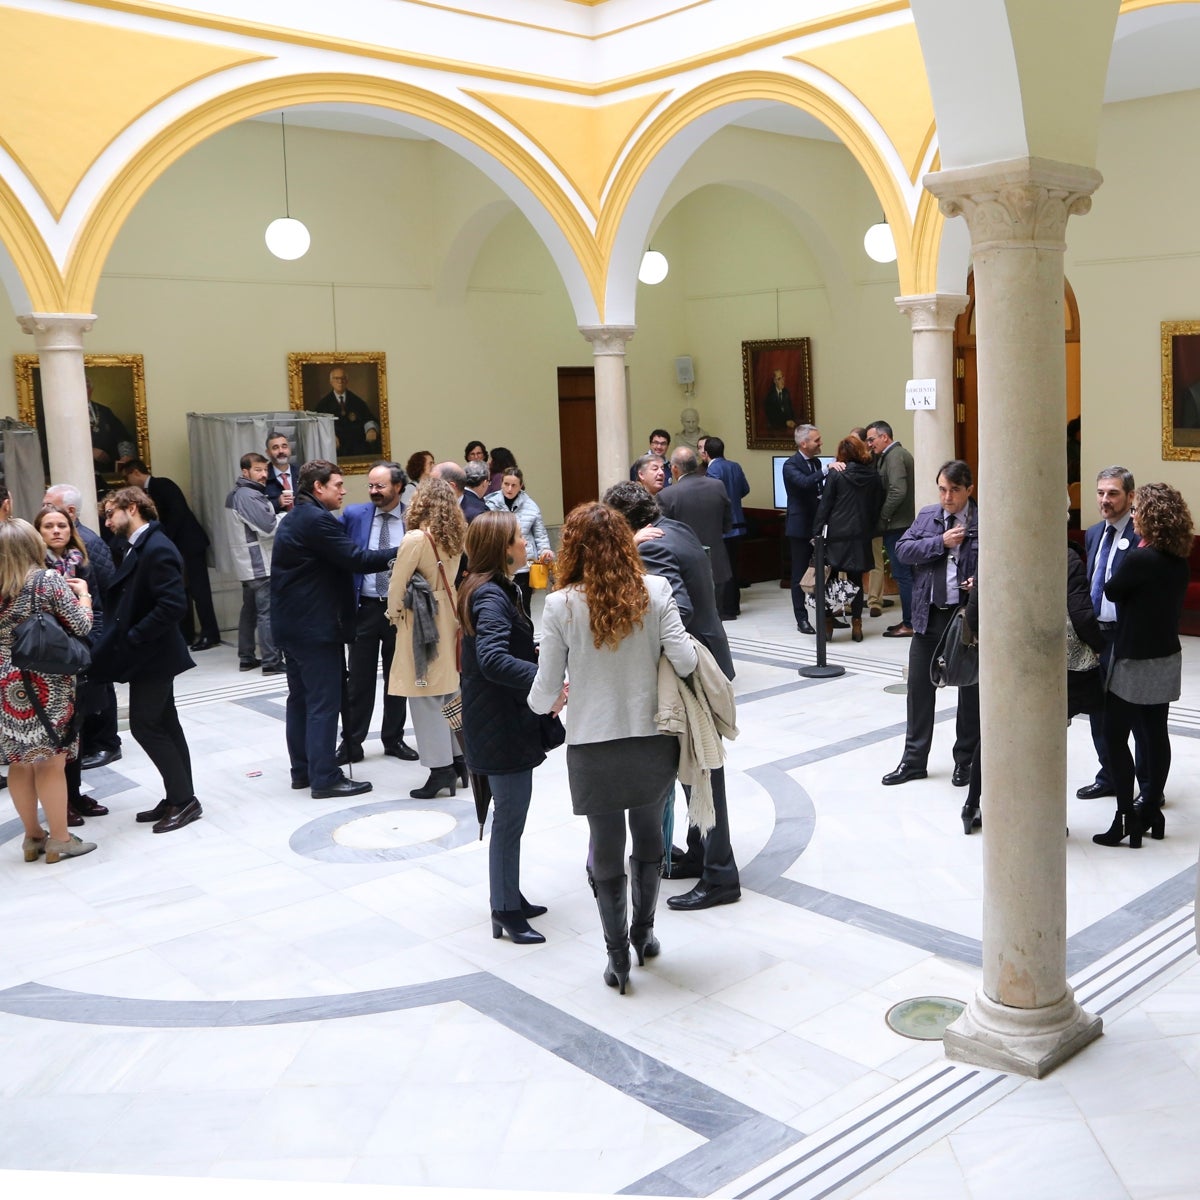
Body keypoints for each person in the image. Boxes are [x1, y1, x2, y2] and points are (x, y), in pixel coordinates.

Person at [528, 503, 697, 995]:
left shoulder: (561, 605)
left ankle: (616, 956)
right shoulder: (656, 590)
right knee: (648, 839)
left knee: (605, 846)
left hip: (591, 742)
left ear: (573, 548)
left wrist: (542, 702)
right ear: (627, 543)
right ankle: (644, 935)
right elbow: (685, 660)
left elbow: (545, 689)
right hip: (650, 736)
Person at [603, 481, 740, 908]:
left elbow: (676, 612)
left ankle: (721, 877)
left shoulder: (651, 547)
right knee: (694, 768)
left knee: (701, 770)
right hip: (705, 657)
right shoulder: (674, 528)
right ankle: (700, 854)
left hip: (687, 673)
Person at [270, 460, 394, 799]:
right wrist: (407, 550)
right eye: (337, 484)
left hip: (293, 626)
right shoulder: (315, 520)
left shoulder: (298, 516)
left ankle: (303, 770)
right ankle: (324, 777)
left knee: (300, 701)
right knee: (324, 703)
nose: (343, 490)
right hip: (314, 629)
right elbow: (357, 559)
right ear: (318, 487)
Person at [458, 511, 551, 945]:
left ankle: (509, 894)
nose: (525, 542)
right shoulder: (491, 596)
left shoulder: (492, 588)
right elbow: (493, 659)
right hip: (500, 723)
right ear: (502, 547)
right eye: (518, 537)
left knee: (510, 818)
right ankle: (505, 911)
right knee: (509, 821)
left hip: (499, 718)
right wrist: (546, 680)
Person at [92, 487, 202, 834]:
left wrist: (135, 636)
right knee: (166, 724)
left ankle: (185, 802)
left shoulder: (157, 546)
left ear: (133, 507)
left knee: (145, 724)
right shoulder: (139, 545)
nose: (107, 522)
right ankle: (178, 794)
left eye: (111, 513)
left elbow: (173, 605)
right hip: (150, 652)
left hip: (155, 654)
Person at [1093, 483, 1193, 848]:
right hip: (1166, 657)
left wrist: (1133, 550)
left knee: (1115, 737)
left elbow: (1112, 591)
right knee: (1155, 733)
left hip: (1134, 661)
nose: (1132, 517)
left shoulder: (1139, 558)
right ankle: (1151, 806)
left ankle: (1125, 818)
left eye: (1136, 512)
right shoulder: (1178, 560)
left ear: (1148, 517)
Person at [0, 519, 96, 862]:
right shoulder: (46, 580)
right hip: (45, 683)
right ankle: (60, 839)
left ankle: (32, 837)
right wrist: (84, 595)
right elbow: (82, 625)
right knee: (50, 764)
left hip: (3, 687)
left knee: (19, 763)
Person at [882, 460, 979, 788]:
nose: (947, 497)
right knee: (918, 690)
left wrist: (978, 580)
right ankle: (913, 761)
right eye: (942, 489)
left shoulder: (983, 521)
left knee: (970, 691)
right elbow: (903, 550)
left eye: (954, 490)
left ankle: (965, 761)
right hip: (929, 615)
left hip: (966, 618)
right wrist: (941, 543)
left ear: (969, 489)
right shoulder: (927, 516)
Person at [386, 478, 468, 798]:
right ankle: (460, 761)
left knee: (424, 697)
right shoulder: (454, 536)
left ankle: (440, 770)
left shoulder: (416, 538)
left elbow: (398, 584)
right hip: (449, 614)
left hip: (421, 622)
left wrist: (393, 615)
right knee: (449, 692)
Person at [33, 505, 110, 827]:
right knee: (54, 736)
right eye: (48, 526)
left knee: (76, 730)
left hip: (79, 653)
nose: (56, 531)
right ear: (38, 533)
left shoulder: (83, 564)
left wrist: (95, 645)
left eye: (61, 525)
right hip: (46, 657)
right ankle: (59, 802)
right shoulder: (34, 569)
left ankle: (75, 794)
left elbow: (99, 609)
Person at [337, 461, 419, 766]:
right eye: (371, 486)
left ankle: (393, 738)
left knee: (397, 678)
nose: (373, 491)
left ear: (398, 487)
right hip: (365, 608)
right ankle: (352, 742)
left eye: (380, 486)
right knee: (358, 679)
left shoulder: (414, 518)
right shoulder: (354, 515)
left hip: (400, 610)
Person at [1077, 466, 1145, 801]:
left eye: (1113, 493)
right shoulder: (1092, 534)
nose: (1105, 500)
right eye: (1101, 492)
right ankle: (1110, 776)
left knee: (1137, 717)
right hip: (1096, 635)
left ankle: (1147, 788)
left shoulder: (1142, 536)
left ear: (1131, 497)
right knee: (1098, 712)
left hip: (1129, 636)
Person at [43, 482, 121, 770]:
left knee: (100, 686)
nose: (54, 527)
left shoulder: (87, 543)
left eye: (51, 506)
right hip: (65, 638)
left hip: (91, 628)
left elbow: (107, 587)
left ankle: (107, 743)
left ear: (70, 514)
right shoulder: (46, 556)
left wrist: (98, 633)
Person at [119, 459, 220, 651]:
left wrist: (164, 541)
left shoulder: (162, 484)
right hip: (176, 546)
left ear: (135, 472)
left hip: (189, 545)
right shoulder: (149, 492)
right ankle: (187, 634)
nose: (126, 482)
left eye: (126, 477)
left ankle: (210, 633)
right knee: (182, 590)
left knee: (200, 590)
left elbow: (177, 514)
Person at [813, 434, 883, 641]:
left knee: (830, 578)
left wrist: (816, 532)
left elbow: (825, 505)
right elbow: (877, 504)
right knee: (856, 580)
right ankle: (857, 624)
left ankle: (827, 625)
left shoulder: (836, 475)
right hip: (860, 534)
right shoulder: (873, 476)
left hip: (837, 534)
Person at [224, 452, 284, 675]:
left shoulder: (239, 494)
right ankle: (271, 661)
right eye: (258, 470)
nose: (263, 474)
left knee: (249, 611)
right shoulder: (248, 495)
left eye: (265, 470)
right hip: (260, 564)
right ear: (245, 472)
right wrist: (287, 517)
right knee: (267, 612)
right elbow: (268, 528)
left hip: (249, 564)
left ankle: (247, 657)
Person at [658, 447, 732, 617]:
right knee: (715, 616)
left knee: (690, 621)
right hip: (716, 561)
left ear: (675, 468)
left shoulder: (667, 495)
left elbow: (664, 535)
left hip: (683, 567)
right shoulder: (717, 486)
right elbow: (727, 523)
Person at [866, 421, 917, 637]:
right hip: (897, 525)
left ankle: (910, 624)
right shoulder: (888, 456)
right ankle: (910, 621)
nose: (869, 444)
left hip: (898, 526)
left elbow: (897, 491)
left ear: (884, 437)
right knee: (904, 575)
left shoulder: (895, 456)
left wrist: (883, 517)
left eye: (871, 439)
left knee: (904, 576)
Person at [485, 467, 554, 614]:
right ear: (501, 483)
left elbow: (540, 535)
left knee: (523, 607)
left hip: (523, 565)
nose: (509, 489)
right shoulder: (489, 504)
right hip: (498, 564)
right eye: (506, 484)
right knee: (501, 605)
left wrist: (545, 550)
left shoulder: (531, 506)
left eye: (514, 485)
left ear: (521, 485)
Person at [783, 424, 825, 635]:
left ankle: (825, 616)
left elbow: (818, 489)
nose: (820, 443)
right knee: (799, 574)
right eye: (817, 440)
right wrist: (827, 470)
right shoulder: (790, 465)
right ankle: (802, 619)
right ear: (803, 443)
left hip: (818, 525)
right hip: (799, 527)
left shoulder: (816, 462)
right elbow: (805, 483)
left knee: (823, 572)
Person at [703, 436, 750, 616]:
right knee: (735, 566)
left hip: (722, 527)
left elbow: (713, 495)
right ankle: (735, 605)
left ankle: (726, 608)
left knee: (722, 568)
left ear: (706, 453)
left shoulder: (713, 469)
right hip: (739, 524)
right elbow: (745, 489)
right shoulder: (735, 466)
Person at [315, 367, 378, 457]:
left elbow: (368, 418)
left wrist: (371, 429)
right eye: (336, 378)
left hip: (357, 447)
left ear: (347, 381)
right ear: (331, 382)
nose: (340, 381)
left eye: (342, 378)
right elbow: (317, 425)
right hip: (335, 448)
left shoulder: (357, 401)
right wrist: (329, 436)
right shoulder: (323, 404)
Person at [86, 377, 136, 474]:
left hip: (107, 470)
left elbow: (122, 436)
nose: (84, 390)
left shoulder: (104, 411)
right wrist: (89, 451)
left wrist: (126, 456)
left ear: (91, 390)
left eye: (87, 387)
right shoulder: (64, 414)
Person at [264, 430, 297, 513]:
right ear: (268, 453)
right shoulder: (262, 477)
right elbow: (257, 509)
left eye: (284, 446)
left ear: (290, 449)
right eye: (275, 447)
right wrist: (277, 503)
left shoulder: (302, 473)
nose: (281, 451)